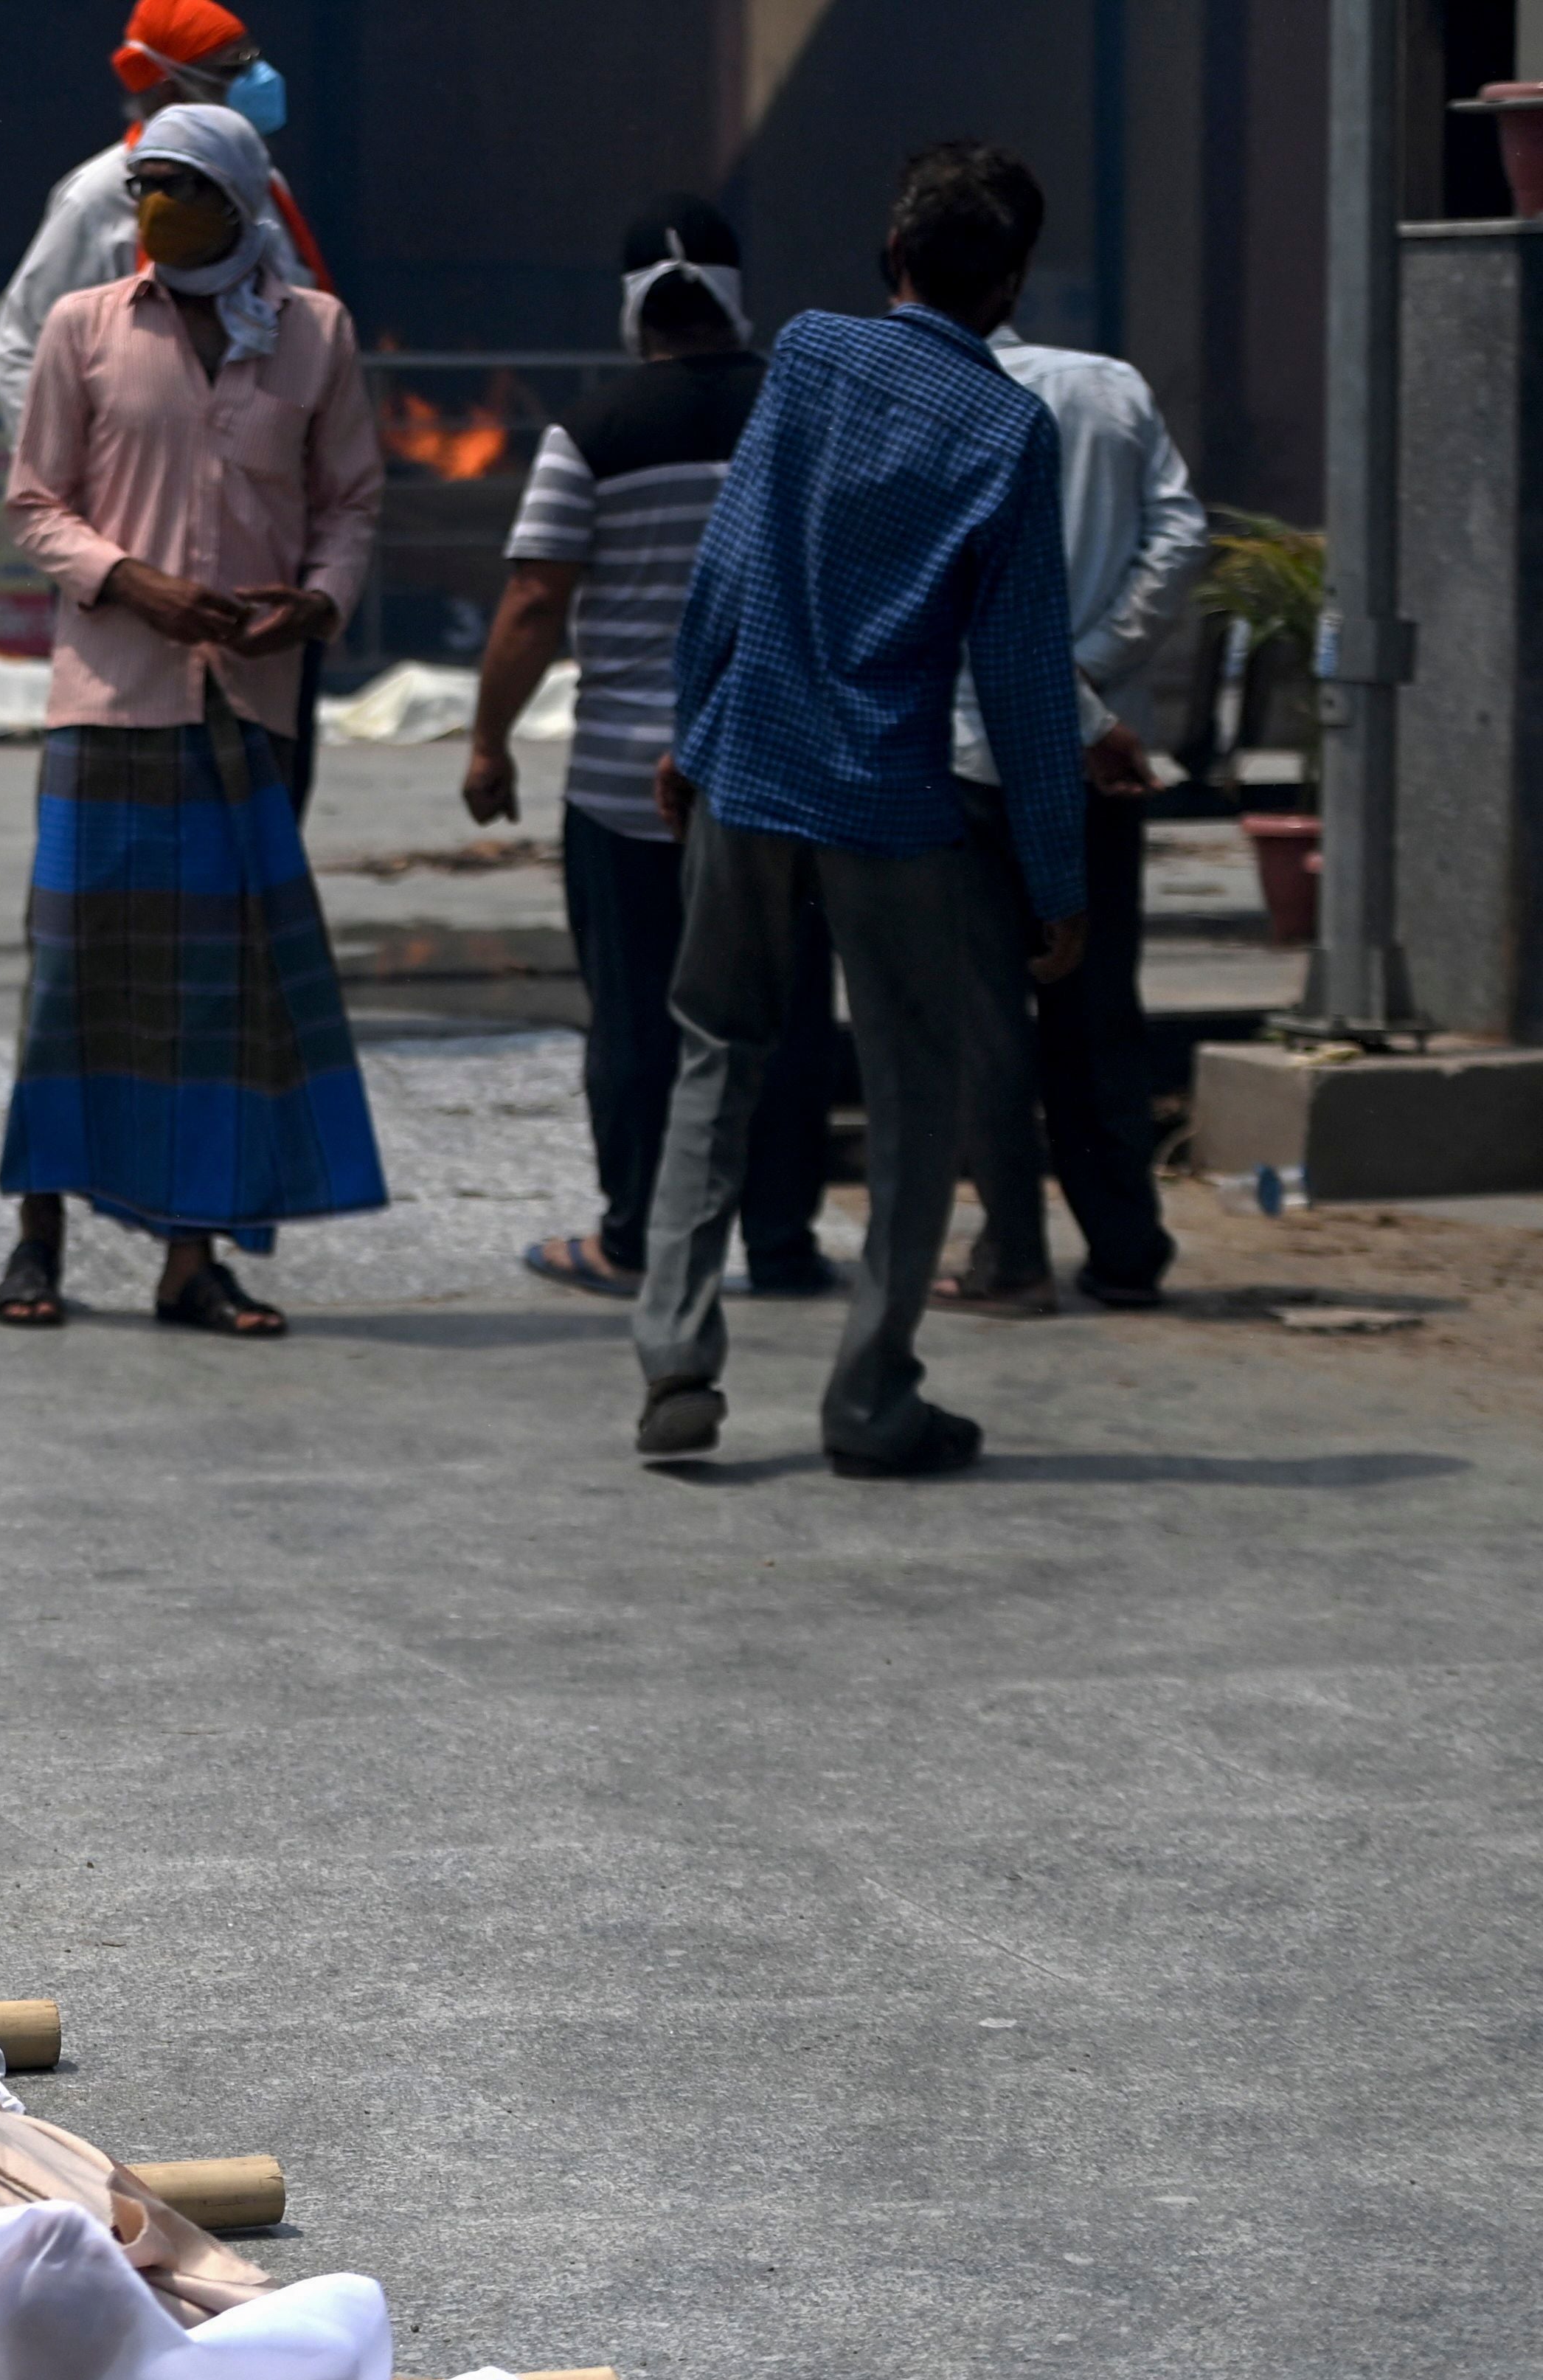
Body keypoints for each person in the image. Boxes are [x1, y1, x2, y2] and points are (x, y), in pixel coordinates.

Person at [631, 141, 1100, 1478]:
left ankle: (673, 1359)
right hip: (889, 799)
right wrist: (1054, 879)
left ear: (892, 259)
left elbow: (730, 564)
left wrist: (690, 727)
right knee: (909, 1094)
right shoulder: (1010, 430)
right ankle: (867, 1396)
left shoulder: (810, 356)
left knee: (715, 1050)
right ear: (1006, 286)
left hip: (750, 766)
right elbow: (1015, 680)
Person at [0, 103, 386, 1338]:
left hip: (247, 701)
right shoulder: (85, 327)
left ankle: (189, 1259)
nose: (152, 207)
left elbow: (351, 503)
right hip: (111, 695)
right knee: (73, 976)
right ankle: (35, 1241)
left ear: (235, 200)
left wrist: (314, 607)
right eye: (141, 186)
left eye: (177, 186)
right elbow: (34, 503)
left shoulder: (312, 334)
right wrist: (130, 581)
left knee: (214, 993)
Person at [468, 195, 842, 1306]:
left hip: (626, 785)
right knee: (783, 1014)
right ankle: (781, 1242)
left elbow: (536, 601)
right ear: (739, 291)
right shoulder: (808, 417)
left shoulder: (589, 431)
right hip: (787, 776)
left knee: (637, 1018)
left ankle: (633, 1240)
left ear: (632, 308)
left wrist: (489, 741)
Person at [929, 322, 1206, 1315]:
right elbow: (1183, 536)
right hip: (1097, 755)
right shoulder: (1110, 386)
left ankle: (1011, 1251)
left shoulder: (925, 400)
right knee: (1094, 1009)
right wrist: (1093, 666)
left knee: (986, 1012)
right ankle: (1126, 1247)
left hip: (966, 753)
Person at [0, 0, 329, 446]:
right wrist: (68, 478)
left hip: (260, 476)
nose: (259, 81)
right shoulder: (99, 197)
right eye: (234, 70)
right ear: (171, 93)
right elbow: (22, 349)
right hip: (138, 478)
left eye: (256, 61)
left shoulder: (261, 184)